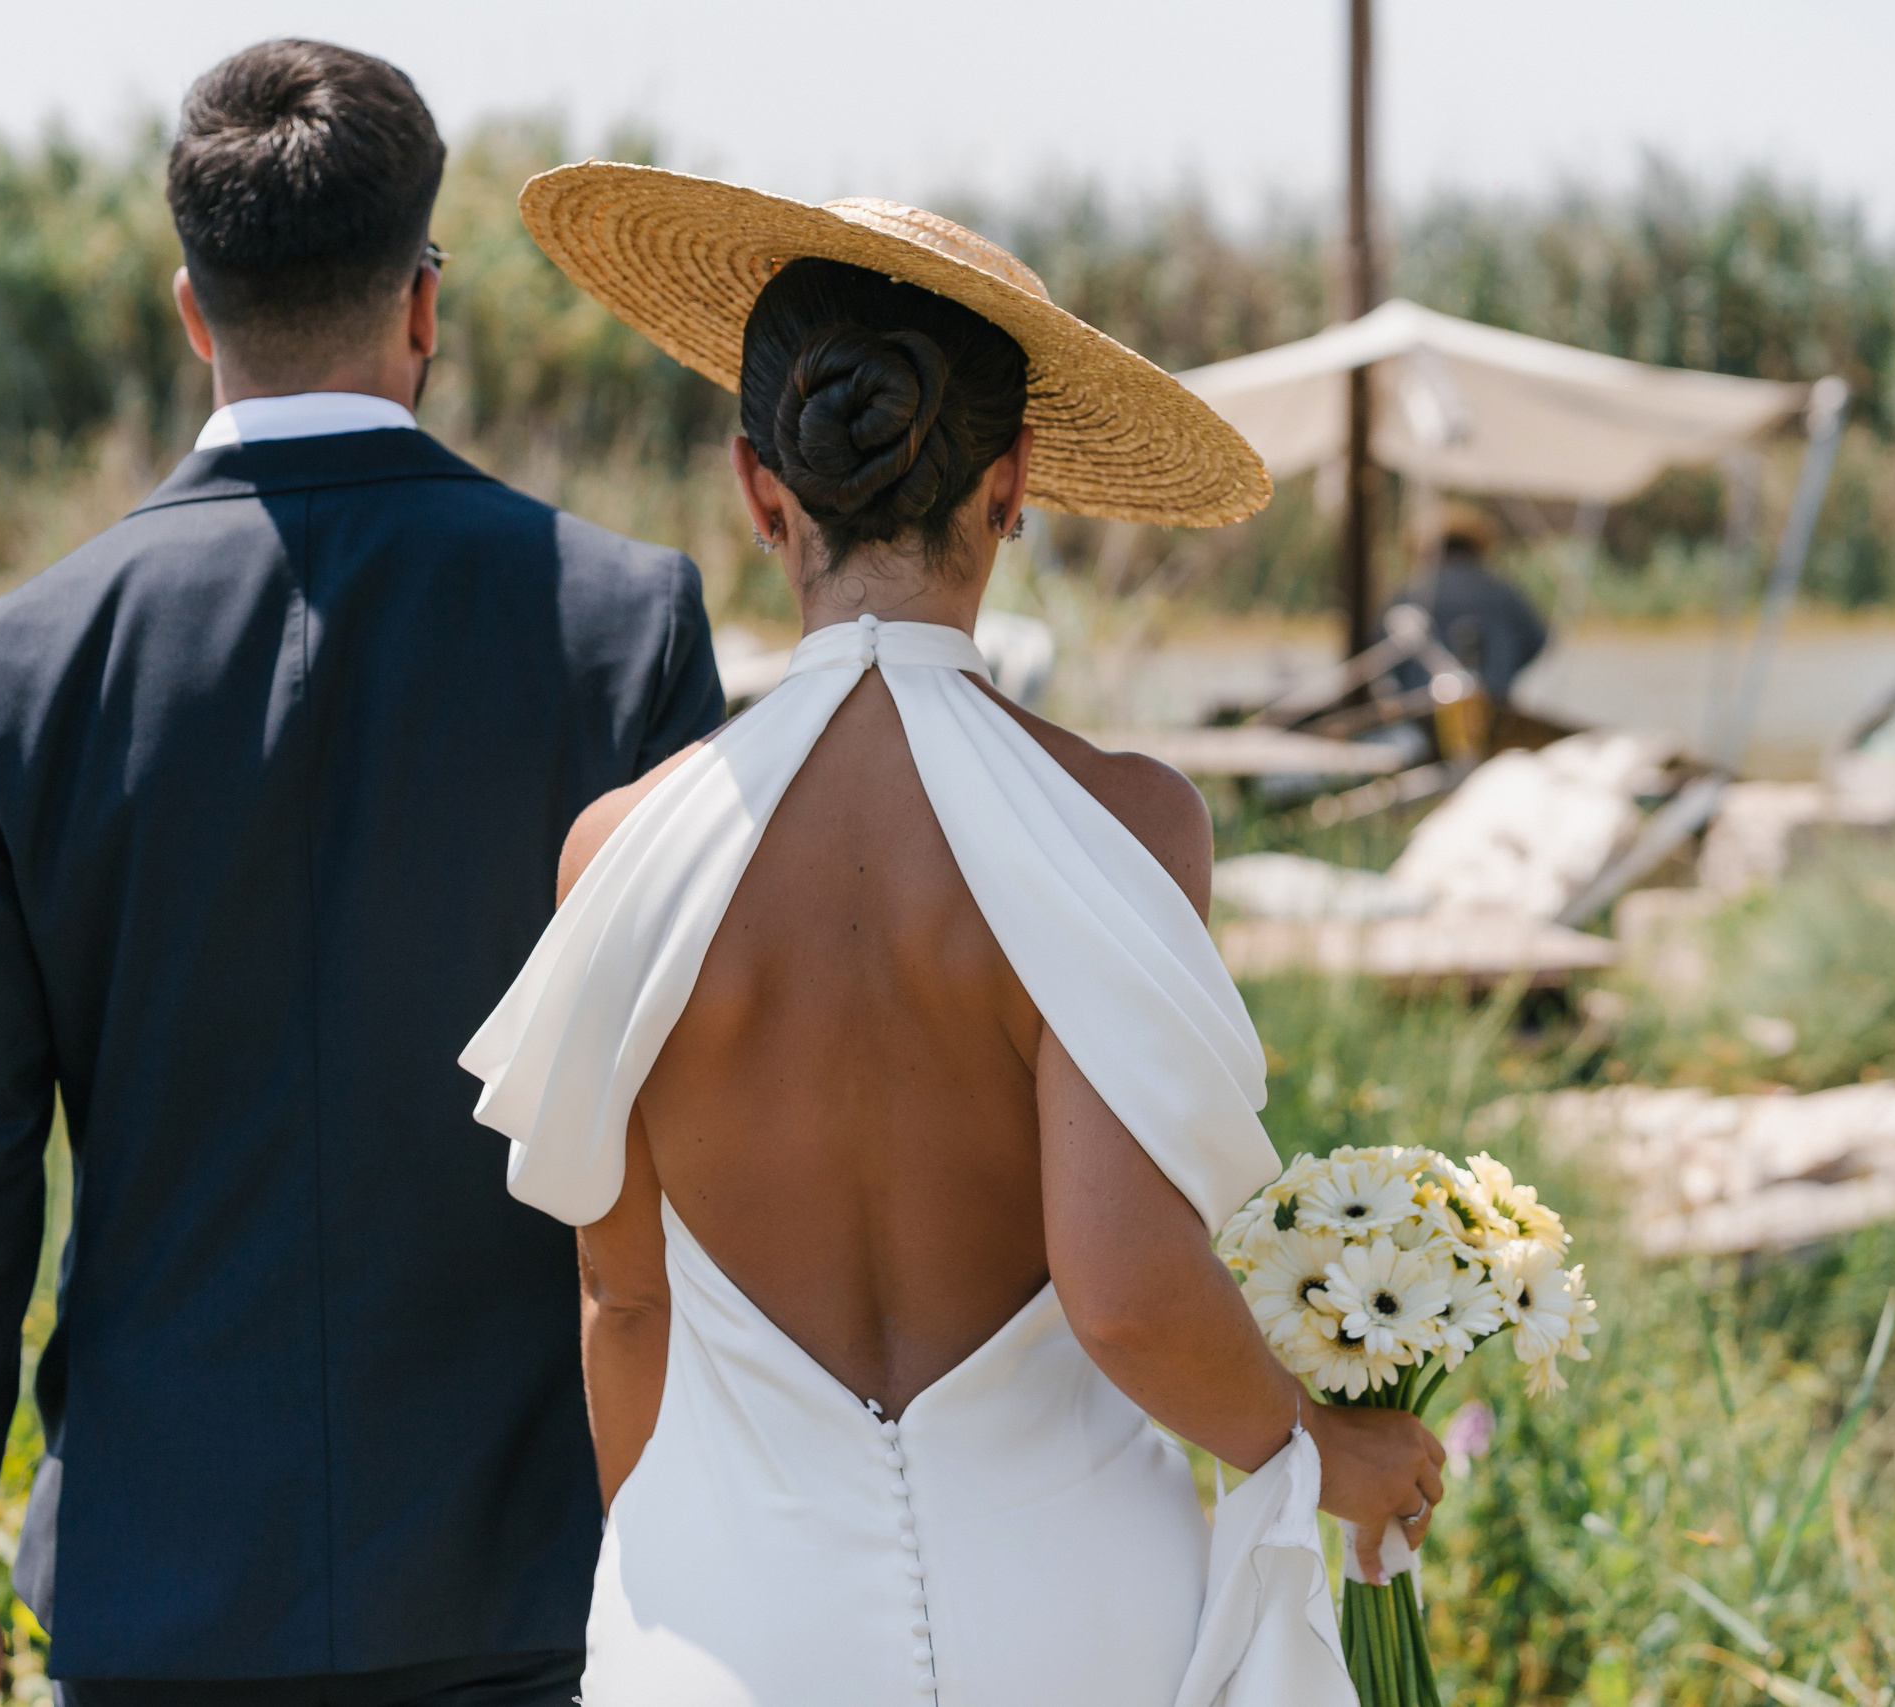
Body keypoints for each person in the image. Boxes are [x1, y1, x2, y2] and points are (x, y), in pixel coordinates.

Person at [465, 167, 1445, 1707]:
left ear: (759, 490)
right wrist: (1336, 1449)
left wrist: (680, 1571)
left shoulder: (625, 846)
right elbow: (1119, 1285)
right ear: (1014, 484)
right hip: (1071, 1618)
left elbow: (628, 1299)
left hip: (726, 1618)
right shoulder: (1124, 821)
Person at [0, 44, 722, 1707]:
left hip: (157, 1585)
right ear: (425, 300)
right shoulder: (623, 628)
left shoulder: (15, 666)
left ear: (193, 310)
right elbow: (707, 1115)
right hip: (539, 1568)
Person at [1382, 502, 1548, 704]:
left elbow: (1384, 652)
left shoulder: (1413, 593)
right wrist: (1504, 670)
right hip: (1492, 702)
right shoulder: (1504, 591)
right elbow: (1537, 639)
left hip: (1424, 705)